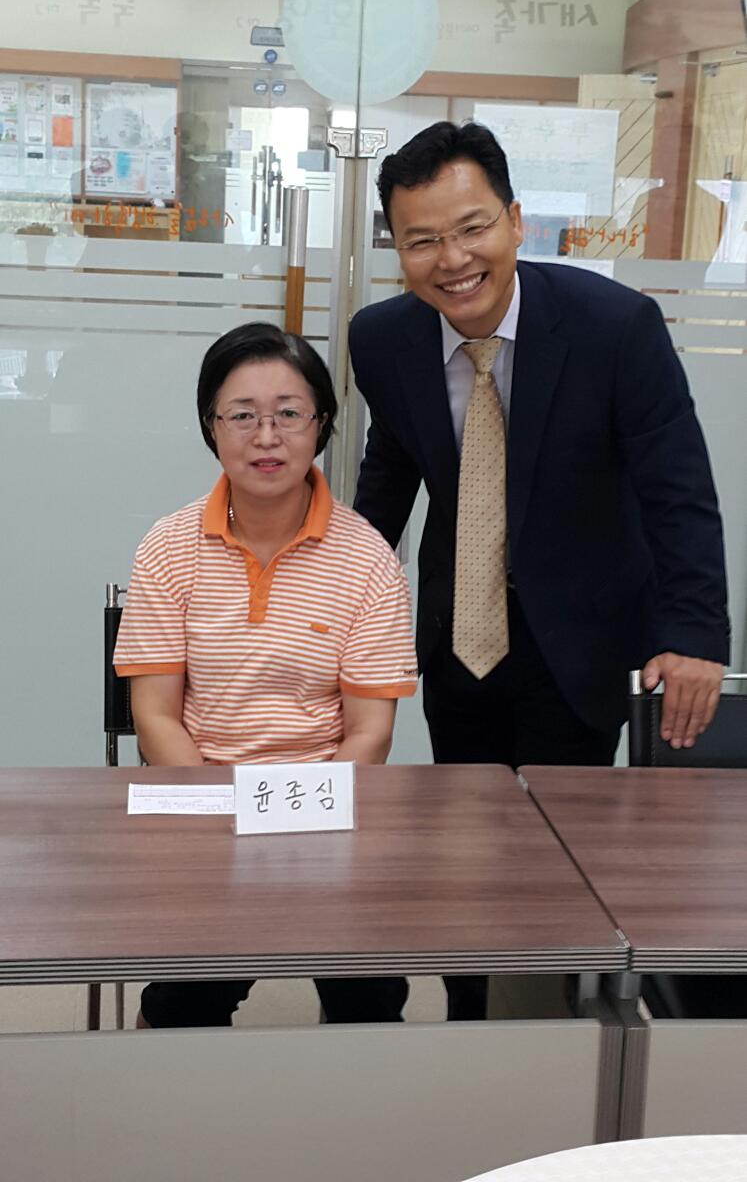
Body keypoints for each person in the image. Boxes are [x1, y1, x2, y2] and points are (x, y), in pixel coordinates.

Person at [349, 121, 730, 1019]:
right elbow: (389, 477)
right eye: (422, 240)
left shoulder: (613, 327)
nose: (452, 260)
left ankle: (551, 1034)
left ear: (516, 221)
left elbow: (676, 487)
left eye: (471, 227)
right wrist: (333, 607)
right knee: (461, 850)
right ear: (397, 251)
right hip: (461, 633)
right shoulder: (383, 339)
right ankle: (470, 1020)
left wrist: (692, 635)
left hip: (583, 633)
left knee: (559, 861)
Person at [114, 322, 417, 1029]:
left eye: (289, 413)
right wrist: (224, 821)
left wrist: (300, 823)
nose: (266, 436)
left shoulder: (367, 558)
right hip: (203, 800)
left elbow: (369, 733)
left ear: (322, 425)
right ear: (211, 427)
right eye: (242, 415)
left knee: (371, 999)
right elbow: (155, 716)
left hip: (328, 807)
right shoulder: (168, 546)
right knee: (183, 1003)